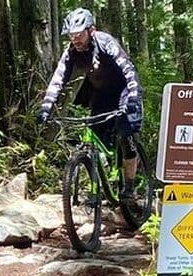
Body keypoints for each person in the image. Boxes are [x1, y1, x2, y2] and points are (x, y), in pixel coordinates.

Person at [37, 7, 143, 198]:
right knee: (97, 134)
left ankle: (130, 185)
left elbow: (128, 69)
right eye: (71, 35)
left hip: (124, 90)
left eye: (78, 34)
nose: (75, 39)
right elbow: (58, 79)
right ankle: (106, 176)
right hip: (101, 93)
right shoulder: (71, 51)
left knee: (125, 133)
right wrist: (46, 108)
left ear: (91, 30)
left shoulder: (105, 43)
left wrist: (133, 96)